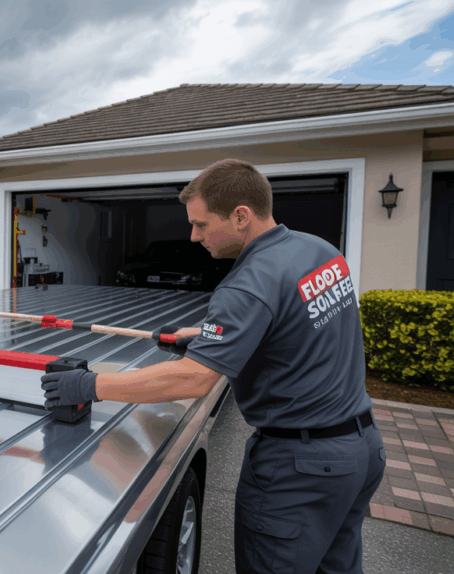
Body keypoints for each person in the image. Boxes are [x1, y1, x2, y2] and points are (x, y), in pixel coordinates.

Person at [41, 159, 384, 574]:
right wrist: (209, 333)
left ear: (241, 216)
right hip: (361, 450)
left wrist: (91, 385)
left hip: (301, 471)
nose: (194, 236)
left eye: (202, 224)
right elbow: (294, 322)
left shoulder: (247, 282)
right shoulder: (319, 250)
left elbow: (197, 378)